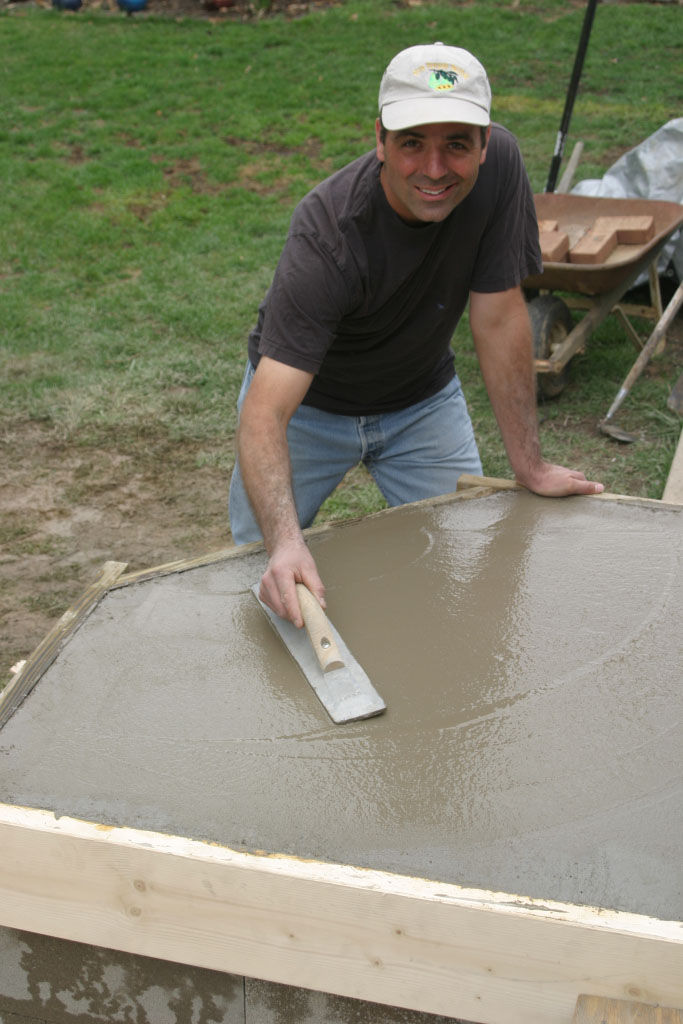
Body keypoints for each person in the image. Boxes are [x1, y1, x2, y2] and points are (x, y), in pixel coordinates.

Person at [229, 41, 603, 627]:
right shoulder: (328, 234)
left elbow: (500, 315)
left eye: (456, 144)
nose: (434, 169)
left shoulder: (501, 168)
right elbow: (266, 411)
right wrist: (283, 542)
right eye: (411, 144)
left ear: (485, 144)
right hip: (309, 411)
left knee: (465, 557)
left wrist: (529, 465)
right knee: (259, 577)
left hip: (420, 402)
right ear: (379, 140)